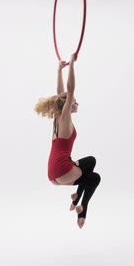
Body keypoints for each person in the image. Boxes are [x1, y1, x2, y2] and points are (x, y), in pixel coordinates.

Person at [34, 53, 101, 229]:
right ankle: (81, 205)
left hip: (52, 173)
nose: (76, 103)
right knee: (94, 173)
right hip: (62, 170)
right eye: (74, 101)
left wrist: (59, 70)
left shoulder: (57, 118)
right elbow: (69, 90)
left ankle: (77, 200)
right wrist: (71, 64)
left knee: (92, 172)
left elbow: (61, 93)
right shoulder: (64, 118)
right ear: (68, 105)